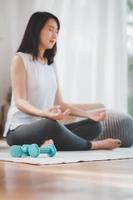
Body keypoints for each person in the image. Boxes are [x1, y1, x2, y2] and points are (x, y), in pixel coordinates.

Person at [3, 12, 121, 151]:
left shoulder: (50, 64)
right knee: (50, 125)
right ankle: (93, 146)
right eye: (50, 29)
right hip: (18, 130)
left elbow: (60, 104)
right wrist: (44, 113)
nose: (54, 35)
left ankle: (47, 144)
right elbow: (20, 101)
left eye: (57, 31)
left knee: (94, 126)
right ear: (36, 29)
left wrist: (89, 114)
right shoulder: (20, 59)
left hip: (45, 128)